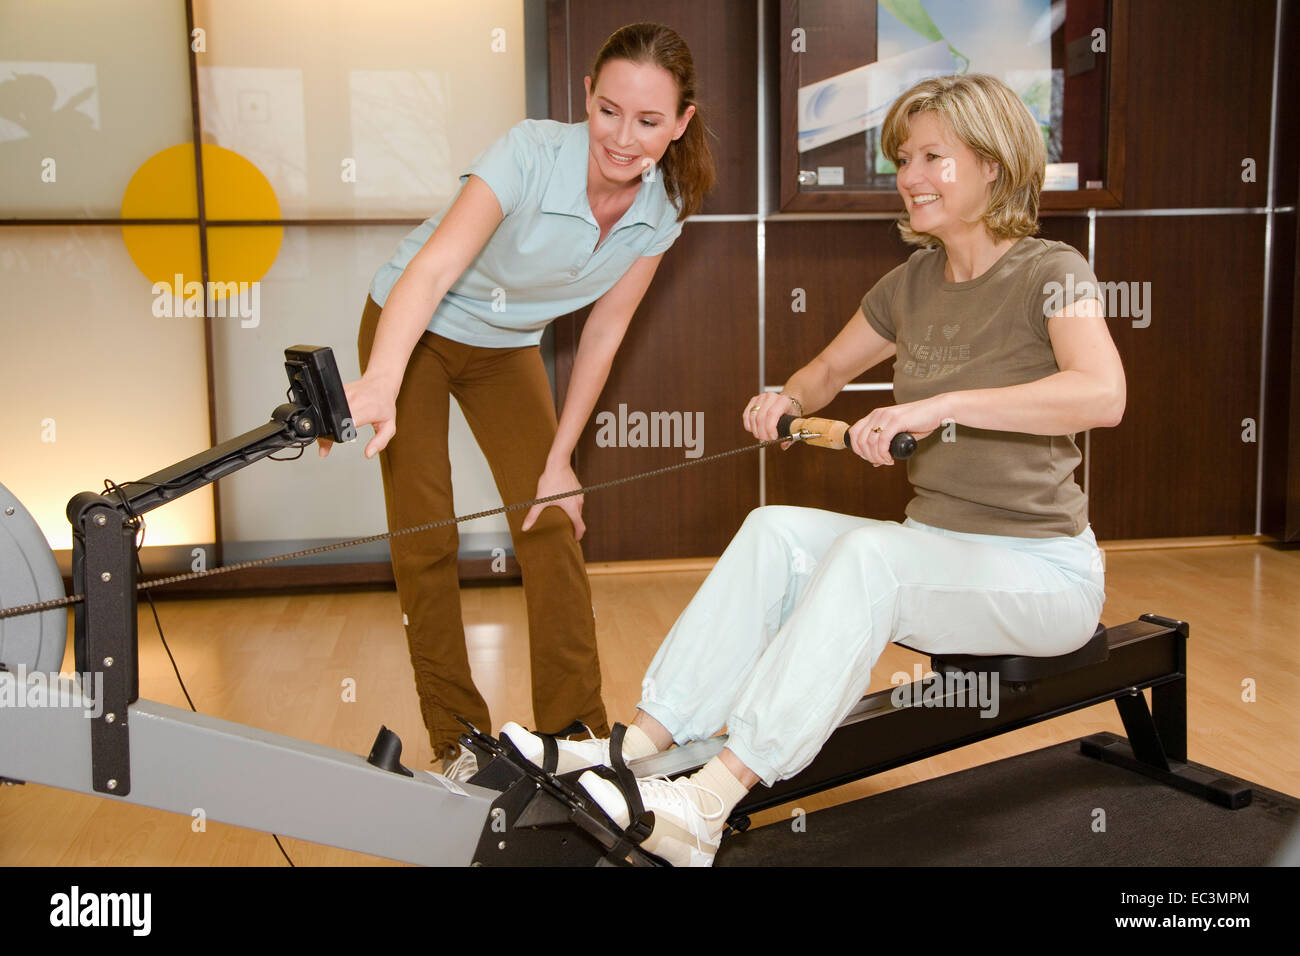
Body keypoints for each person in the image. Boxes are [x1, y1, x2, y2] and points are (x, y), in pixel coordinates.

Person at [502, 73, 1126, 866]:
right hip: (938, 547)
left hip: (1044, 573)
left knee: (875, 558)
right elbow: (825, 373)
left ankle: (709, 801)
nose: (909, 176)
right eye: (903, 158)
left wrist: (940, 407)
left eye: (933, 156)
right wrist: (784, 399)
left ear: (993, 168)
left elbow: (1102, 395)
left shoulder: (1053, 269)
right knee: (775, 531)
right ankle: (639, 747)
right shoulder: (912, 285)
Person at [320, 23, 716, 779]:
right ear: (587, 99)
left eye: (649, 121)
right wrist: (382, 379)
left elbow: (604, 332)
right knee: (426, 532)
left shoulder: (666, 201)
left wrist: (562, 459)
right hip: (417, 327)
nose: (623, 138)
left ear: (682, 123)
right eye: (608, 111)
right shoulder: (530, 154)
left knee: (550, 520)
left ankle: (576, 737)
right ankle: (459, 741)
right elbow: (431, 272)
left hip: (506, 348)